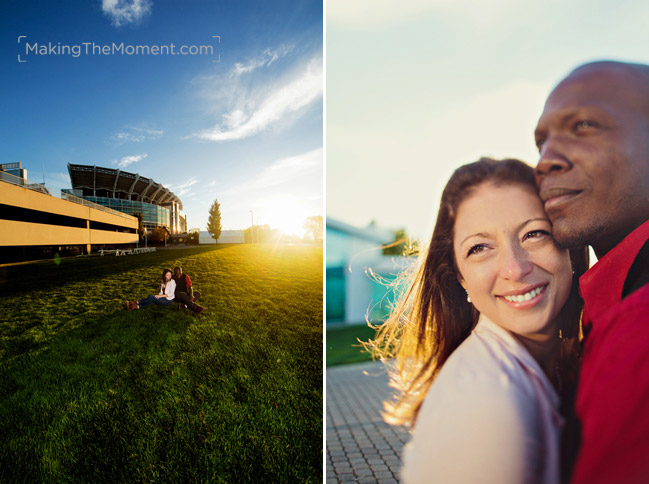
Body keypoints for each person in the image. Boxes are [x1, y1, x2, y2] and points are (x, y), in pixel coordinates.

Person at [370, 158, 588, 484]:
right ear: (460, 276)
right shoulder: (490, 403)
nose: (514, 268)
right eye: (480, 248)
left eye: (534, 234)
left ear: (568, 244)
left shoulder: (544, 365)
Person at [534, 60, 649, 484]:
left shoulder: (638, 331)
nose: (544, 162)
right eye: (540, 142)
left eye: (584, 125)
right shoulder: (602, 307)